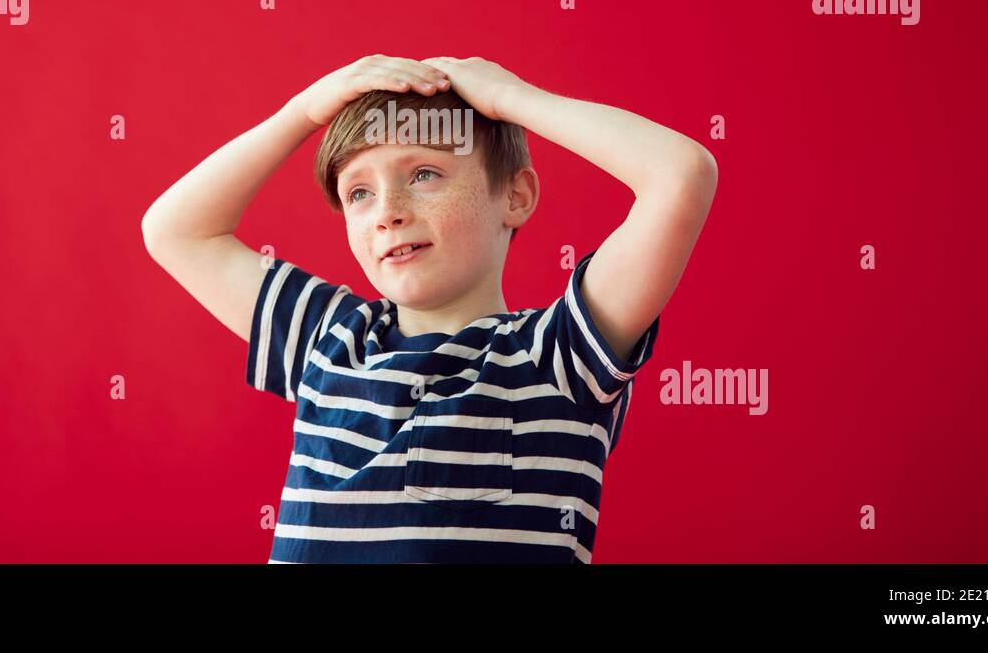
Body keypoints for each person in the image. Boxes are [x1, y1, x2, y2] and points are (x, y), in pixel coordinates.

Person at [141, 54, 717, 562]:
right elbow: (175, 230)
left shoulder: (559, 357)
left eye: (424, 174)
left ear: (515, 196)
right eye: (358, 193)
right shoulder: (327, 338)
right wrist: (301, 113)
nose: (387, 210)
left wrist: (512, 99)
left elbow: (680, 175)